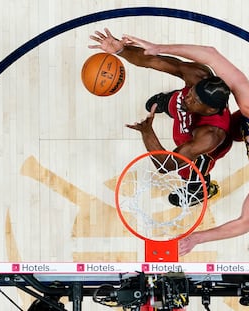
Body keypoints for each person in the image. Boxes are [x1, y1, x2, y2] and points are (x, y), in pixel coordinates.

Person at [115, 33, 249, 255]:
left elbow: (246, 222)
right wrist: (157, 46)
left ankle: (199, 187)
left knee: (212, 146)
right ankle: (170, 104)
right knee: (236, 124)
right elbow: (211, 54)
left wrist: (197, 238)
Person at [89, 28, 233, 207]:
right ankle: (165, 102)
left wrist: (147, 132)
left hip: (198, 149)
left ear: (210, 110)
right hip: (187, 113)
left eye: (195, 100)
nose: (189, 97)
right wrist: (121, 50)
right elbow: (154, 60)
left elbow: (166, 166)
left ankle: (198, 190)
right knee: (177, 101)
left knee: (192, 169)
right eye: (191, 92)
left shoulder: (210, 136)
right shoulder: (199, 76)